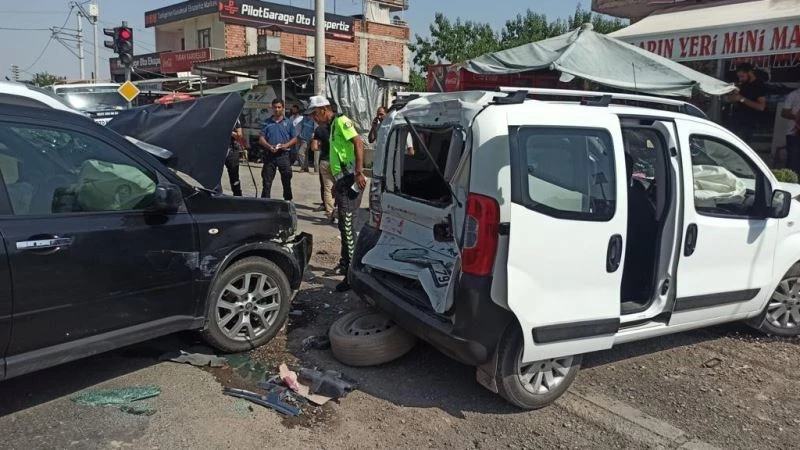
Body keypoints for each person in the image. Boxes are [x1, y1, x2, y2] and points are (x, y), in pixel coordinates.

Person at [308, 95, 367, 292]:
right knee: (343, 226)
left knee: (348, 227)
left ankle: (352, 274)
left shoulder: (342, 121)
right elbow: (338, 155)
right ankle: (346, 263)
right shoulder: (331, 126)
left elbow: (359, 143)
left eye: (315, 114)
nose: (314, 119)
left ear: (323, 110)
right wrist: (336, 183)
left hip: (352, 180)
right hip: (343, 180)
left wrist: (359, 172)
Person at [259, 98, 298, 202]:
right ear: (272, 108)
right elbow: (261, 138)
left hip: (284, 155)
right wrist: (268, 146)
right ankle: (265, 203)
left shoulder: (289, 123)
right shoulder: (266, 122)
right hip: (270, 155)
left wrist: (286, 145)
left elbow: (294, 138)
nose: (277, 109)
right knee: (266, 182)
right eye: (275, 107)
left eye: (279, 107)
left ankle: (288, 202)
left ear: (283, 108)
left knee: (286, 181)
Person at [728, 63, 767, 147]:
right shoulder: (743, 85)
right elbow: (738, 103)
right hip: (738, 122)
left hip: (750, 124)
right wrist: (733, 99)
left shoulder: (759, 85)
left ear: (750, 73)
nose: (740, 79)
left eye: (742, 76)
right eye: (739, 77)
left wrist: (742, 99)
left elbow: (761, 107)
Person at [311, 113, 335, 220]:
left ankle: (330, 213)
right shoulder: (339, 127)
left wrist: (322, 145)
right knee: (340, 188)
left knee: (327, 188)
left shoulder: (319, 129)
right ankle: (341, 211)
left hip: (325, 160)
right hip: (339, 162)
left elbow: (314, 147)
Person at [780, 84, 800, 172]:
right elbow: (784, 112)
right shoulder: (794, 94)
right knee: (793, 162)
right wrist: (795, 117)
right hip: (794, 133)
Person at [225, 116, 244, 196]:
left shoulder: (234, 117)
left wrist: (229, 131)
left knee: (234, 177)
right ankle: (215, 195)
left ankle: (238, 196)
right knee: (214, 176)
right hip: (218, 149)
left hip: (231, 149)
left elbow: (239, 135)